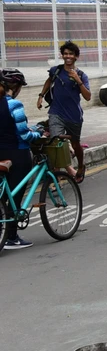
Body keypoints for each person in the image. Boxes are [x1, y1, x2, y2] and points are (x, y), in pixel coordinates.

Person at [36, 42, 91, 183]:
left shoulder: (81, 75)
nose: (67, 56)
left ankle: (80, 166)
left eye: (71, 54)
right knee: (55, 144)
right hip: (56, 112)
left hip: (74, 115)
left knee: (75, 144)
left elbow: (88, 96)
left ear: (76, 57)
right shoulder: (55, 70)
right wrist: (41, 96)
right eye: (65, 53)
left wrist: (78, 80)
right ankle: (57, 177)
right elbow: (48, 81)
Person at [0, 69, 42, 250]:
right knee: (15, 196)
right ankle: (12, 236)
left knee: (3, 194)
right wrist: (38, 132)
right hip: (17, 154)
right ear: (15, 87)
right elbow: (24, 135)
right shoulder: (14, 105)